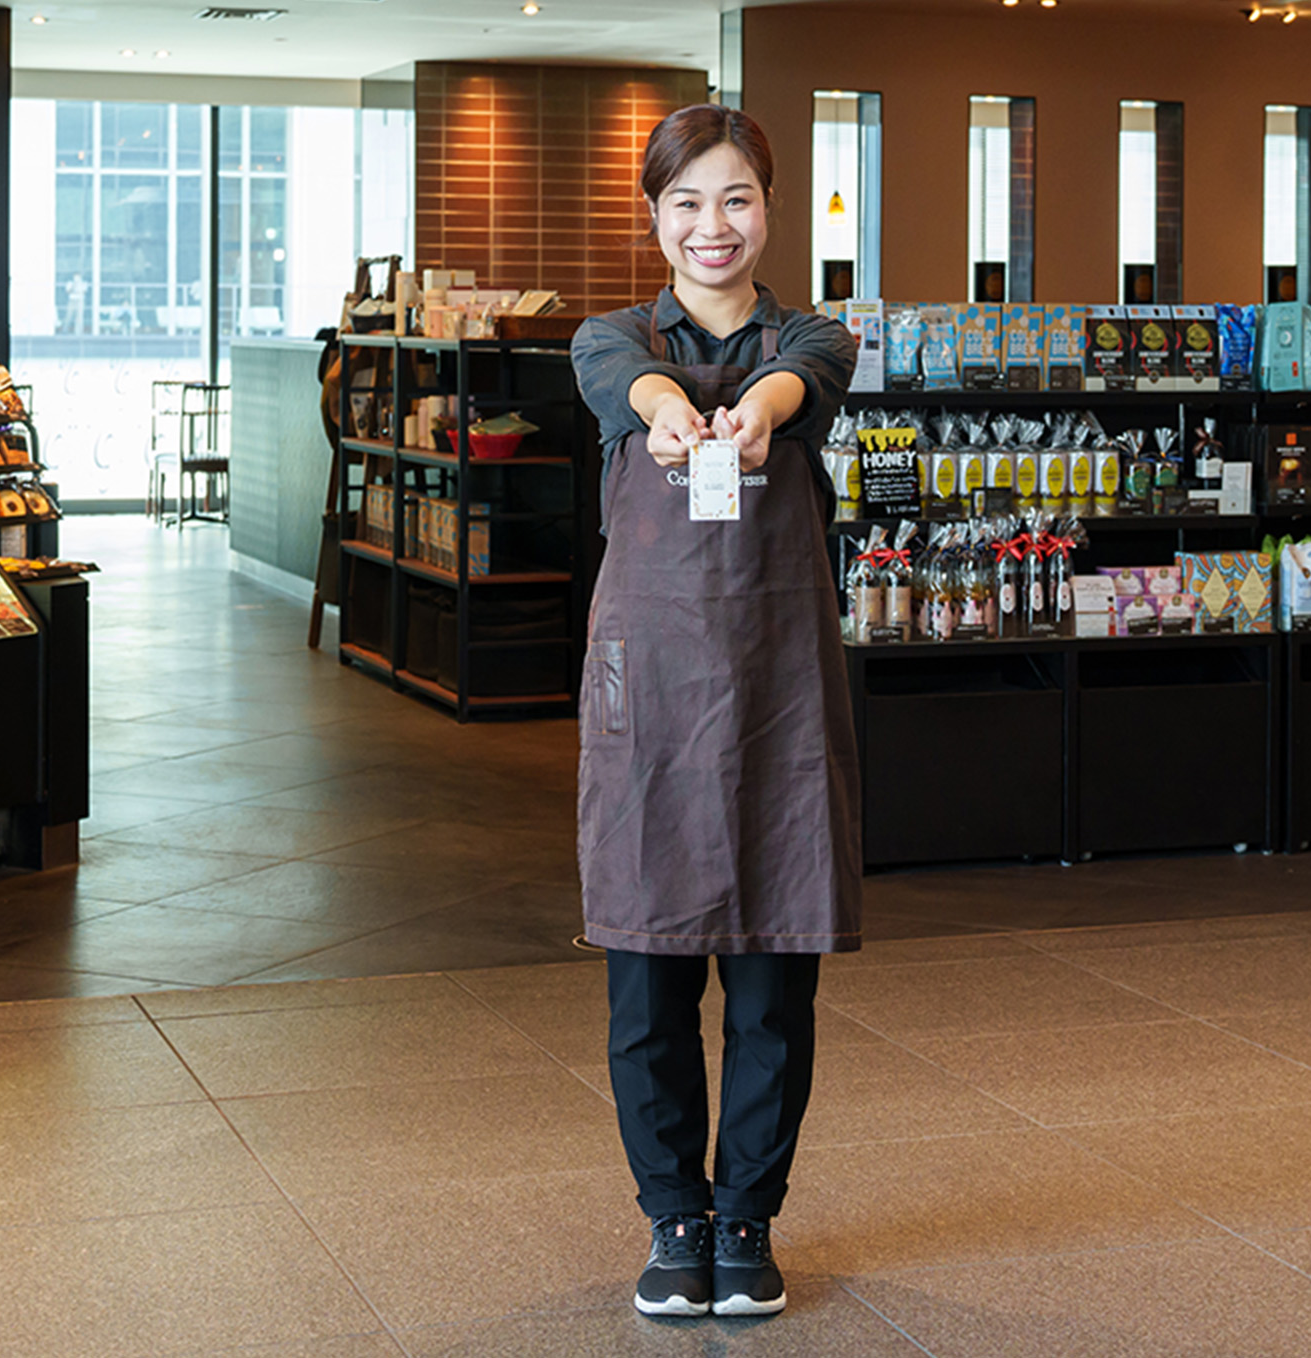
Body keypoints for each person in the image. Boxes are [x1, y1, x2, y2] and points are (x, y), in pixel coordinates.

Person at [568, 104, 860, 1321]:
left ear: (768, 207)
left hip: (777, 695)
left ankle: (745, 1214)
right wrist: (665, 410)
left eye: (735, 198)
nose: (711, 225)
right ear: (654, 215)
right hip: (649, 699)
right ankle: (671, 1217)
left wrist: (759, 410)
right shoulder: (612, 340)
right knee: (646, 982)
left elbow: (804, 374)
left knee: (771, 981)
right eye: (686, 201)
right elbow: (621, 379)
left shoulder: (813, 338)